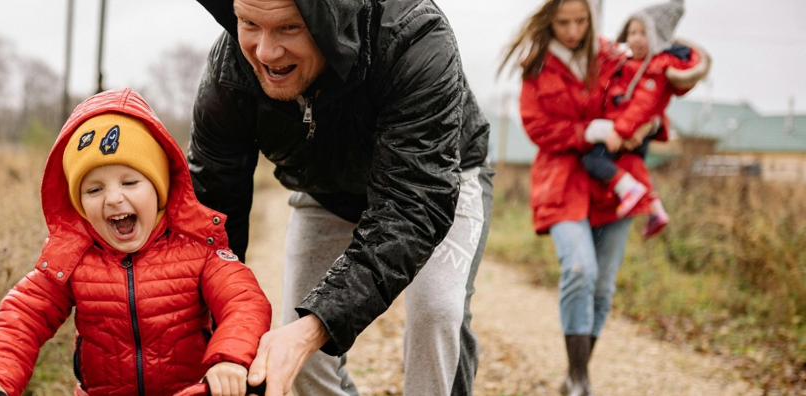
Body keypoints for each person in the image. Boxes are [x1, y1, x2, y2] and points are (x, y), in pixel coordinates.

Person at [187, 0, 493, 395]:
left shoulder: (414, 35)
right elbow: (214, 215)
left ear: (328, 21)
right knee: (304, 361)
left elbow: (410, 206)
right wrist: (218, 335)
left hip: (437, 179)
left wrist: (314, 327)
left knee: (436, 312)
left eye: (288, 28)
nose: (265, 52)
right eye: (249, 23)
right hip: (326, 191)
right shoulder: (229, 70)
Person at [0, 88, 271, 396]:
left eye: (130, 182)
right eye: (94, 190)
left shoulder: (197, 247)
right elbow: (21, 317)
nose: (114, 198)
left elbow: (244, 303)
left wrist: (230, 358)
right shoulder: (74, 257)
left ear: (159, 187)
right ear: (78, 203)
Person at [499, 0, 631, 395]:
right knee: (579, 270)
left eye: (580, 21)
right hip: (561, 182)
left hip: (613, 183)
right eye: (563, 22)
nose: (572, 30)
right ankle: (580, 380)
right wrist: (587, 131)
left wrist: (649, 120)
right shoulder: (537, 65)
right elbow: (537, 127)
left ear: (591, 17)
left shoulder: (612, 57)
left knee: (603, 286)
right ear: (549, 20)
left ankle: (576, 374)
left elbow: (645, 95)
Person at [582, 0, 710, 238]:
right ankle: (655, 209)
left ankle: (628, 190)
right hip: (629, 129)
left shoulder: (654, 69)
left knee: (593, 160)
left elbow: (642, 106)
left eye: (643, 33)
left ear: (657, 37)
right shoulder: (632, 64)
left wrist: (620, 132)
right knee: (633, 166)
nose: (635, 38)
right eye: (631, 32)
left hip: (626, 130)